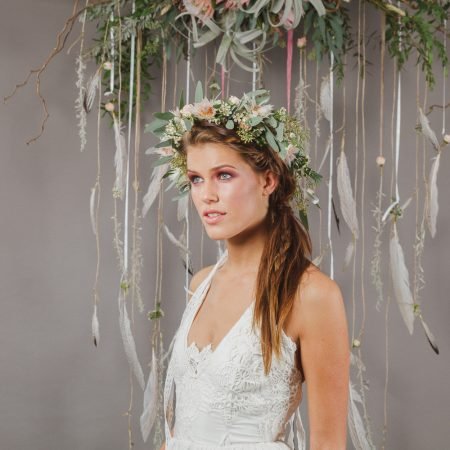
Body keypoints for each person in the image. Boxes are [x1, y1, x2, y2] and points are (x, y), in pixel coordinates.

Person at [150, 87, 350, 450]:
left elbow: (328, 444)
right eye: (196, 179)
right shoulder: (201, 283)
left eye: (224, 175)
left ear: (268, 181)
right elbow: (181, 431)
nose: (206, 195)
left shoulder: (312, 295)